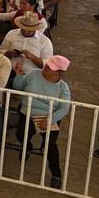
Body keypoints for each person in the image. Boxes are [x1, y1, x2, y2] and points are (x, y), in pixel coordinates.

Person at [10, 55, 73, 189]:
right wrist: (19, 75)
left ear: (59, 72)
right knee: (20, 134)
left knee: (50, 146)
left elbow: (64, 108)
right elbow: (18, 86)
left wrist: (50, 119)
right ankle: (27, 147)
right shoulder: (34, 74)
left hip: (48, 117)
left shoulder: (63, 88)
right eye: (47, 65)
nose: (46, 68)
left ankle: (56, 174)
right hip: (27, 112)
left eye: (51, 68)